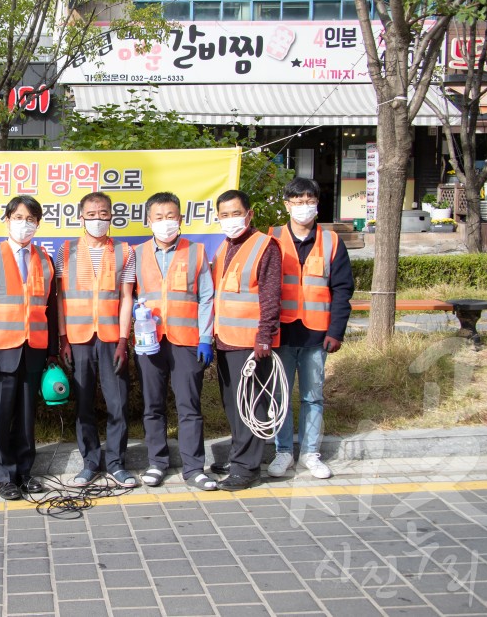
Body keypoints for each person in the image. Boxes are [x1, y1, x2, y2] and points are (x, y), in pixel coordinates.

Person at [0, 196, 58, 500]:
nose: (25, 224)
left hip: (33, 350)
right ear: (6, 220)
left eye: (31, 219)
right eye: (19, 217)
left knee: (26, 416)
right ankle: (3, 475)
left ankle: (25, 472)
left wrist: (52, 352)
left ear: (38, 224)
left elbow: (50, 309)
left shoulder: (44, 260)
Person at [266, 178, 354, 480]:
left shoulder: (331, 241)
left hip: (318, 334)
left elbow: (343, 289)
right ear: (287, 204)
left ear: (317, 203)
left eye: (309, 200)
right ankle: (283, 452)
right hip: (282, 333)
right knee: (281, 396)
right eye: (297, 200)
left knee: (313, 396)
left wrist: (336, 331)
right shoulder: (273, 238)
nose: (304, 206)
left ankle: (310, 453)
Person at [133, 192, 217, 491]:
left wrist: (206, 338)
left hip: (187, 341)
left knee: (189, 407)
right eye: (159, 217)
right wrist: (134, 311)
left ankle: (194, 468)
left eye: (171, 217)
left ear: (180, 219)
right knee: (153, 405)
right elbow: (129, 294)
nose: (165, 223)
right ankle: (157, 462)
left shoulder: (195, 252)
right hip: (150, 343)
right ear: (149, 221)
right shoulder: (138, 253)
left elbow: (207, 296)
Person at [57, 191, 136, 488]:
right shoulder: (65, 251)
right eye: (91, 215)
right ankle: (90, 462)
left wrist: (122, 340)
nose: (97, 220)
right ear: (81, 218)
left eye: (103, 214)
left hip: (110, 338)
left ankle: (116, 463)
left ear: (111, 217)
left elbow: (127, 298)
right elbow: (61, 297)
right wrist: (63, 339)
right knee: (84, 404)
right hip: (78, 340)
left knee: (118, 403)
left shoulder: (126, 252)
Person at [211, 189, 282, 491]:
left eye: (235, 213)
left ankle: (247, 469)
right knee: (233, 403)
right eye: (224, 215)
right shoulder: (223, 248)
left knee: (250, 406)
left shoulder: (265, 246)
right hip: (224, 340)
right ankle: (239, 456)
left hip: (251, 343)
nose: (230, 220)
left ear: (249, 214)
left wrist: (264, 337)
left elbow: (270, 296)